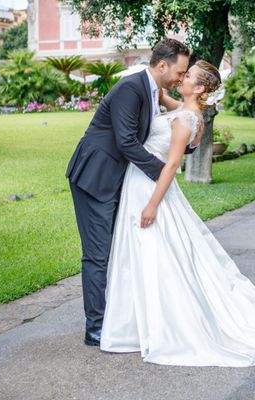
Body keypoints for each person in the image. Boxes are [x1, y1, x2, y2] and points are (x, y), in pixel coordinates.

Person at [100, 60, 255, 367]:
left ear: (198, 88)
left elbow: (171, 165)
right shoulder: (187, 110)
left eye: (187, 77)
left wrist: (153, 204)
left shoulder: (187, 119)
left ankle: (159, 325)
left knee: (156, 254)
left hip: (150, 188)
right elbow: (165, 100)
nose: (180, 78)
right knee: (147, 253)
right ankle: (135, 323)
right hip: (141, 183)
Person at [66, 38, 191, 346]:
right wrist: (162, 173)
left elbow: (179, 116)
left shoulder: (153, 90)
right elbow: (126, 142)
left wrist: (194, 116)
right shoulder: (130, 87)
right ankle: (95, 328)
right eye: (180, 71)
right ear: (162, 65)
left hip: (118, 177)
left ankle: (116, 318)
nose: (181, 79)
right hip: (95, 177)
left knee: (119, 247)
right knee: (98, 254)